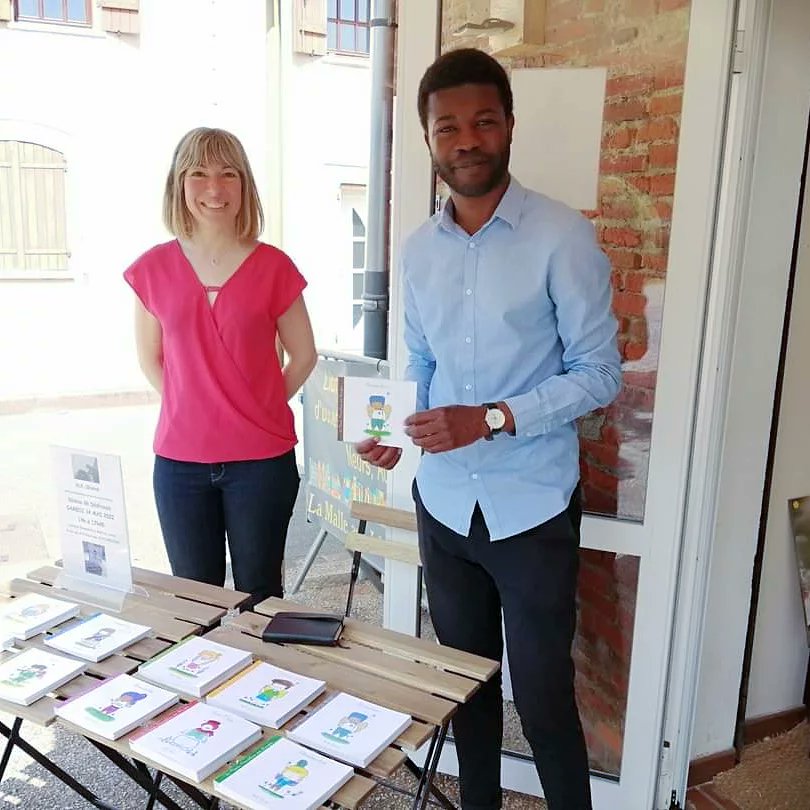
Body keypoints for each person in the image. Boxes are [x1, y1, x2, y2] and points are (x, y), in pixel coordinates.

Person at [357, 49, 621, 810]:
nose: (466, 139)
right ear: (428, 139)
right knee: (465, 694)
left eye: (482, 122)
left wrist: (494, 419)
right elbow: (421, 360)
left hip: (531, 506)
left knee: (541, 704)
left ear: (508, 127)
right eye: (448, 127)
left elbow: (599, 374)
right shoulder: (416, 254)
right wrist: (398, 431)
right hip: (444, 508)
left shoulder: (561, 237)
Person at [125, 127, 316, 609]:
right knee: (193, 601)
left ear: (245, 184)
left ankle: (263, 687)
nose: (215, 188)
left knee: (260, 596)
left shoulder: (274, 267)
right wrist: (192, 407)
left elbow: (304, 355)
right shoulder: (153, 268)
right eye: (199, 174)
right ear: (179, 184)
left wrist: (260, 404)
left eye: (228, 174)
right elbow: (150, 357)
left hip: (261, 464)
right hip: (179, 464)